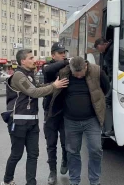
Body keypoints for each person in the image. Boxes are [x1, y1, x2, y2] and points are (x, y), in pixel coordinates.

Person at [1, 49, 69, 185]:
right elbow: (34, 92)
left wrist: (54, 85)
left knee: (33, 154)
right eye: (31, 58)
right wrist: (54, 86)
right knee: (17, 154)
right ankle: (7, 180)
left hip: (32, 122)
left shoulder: (30, 75)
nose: (34, 60)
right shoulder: (19, 76)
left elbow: (39, 87)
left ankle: (31, 182)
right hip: (18, 121)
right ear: (22, 61)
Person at [47, 56, 110, 185]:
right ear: (70, 69)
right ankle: (74, 181)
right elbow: (47, 72)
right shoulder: (64, 73)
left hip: (92, 120)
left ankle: (95, 181)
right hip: (70, 121)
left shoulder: (97, 71)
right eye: (76, 74)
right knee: (72, 152)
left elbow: (106, 88)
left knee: (96, 150)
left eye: (81, 74)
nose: (79, 77)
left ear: (86, 66)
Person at [42, 42, 70, 184]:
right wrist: (66, 62)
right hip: (50, 111)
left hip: (65, 110)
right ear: (53, 55)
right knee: (51, 144)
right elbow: (48, 71)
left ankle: (65, 160)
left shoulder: (67, 66)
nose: (63, 55)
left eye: (64, 52)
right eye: (60, 53)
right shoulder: (47, 67)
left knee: (66, 142)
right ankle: (52, 172)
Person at [94, 37, 114, 136]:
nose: (99, 51)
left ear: (103, 45)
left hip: (116, 78)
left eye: (98, 48)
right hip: (113, 78)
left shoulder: (112, 49)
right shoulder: (109, 49)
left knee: (107, 100)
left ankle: (108, 128)